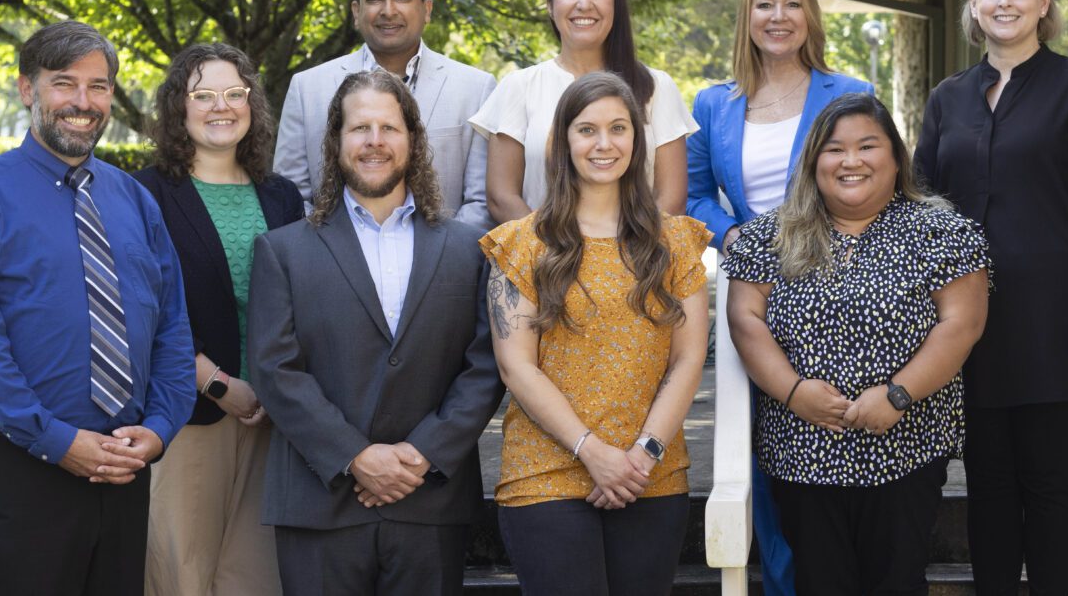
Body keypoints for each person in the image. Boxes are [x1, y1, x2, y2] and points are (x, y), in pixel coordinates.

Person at [0, 21, 195, 596]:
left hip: (128, 467)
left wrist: (158, 428)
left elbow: (172, 328)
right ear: (28, 89)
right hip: (28, 468)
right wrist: (56, 440)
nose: (83, 102)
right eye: (64, 83)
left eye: (98, 86)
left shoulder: (134, 200)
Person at [913, 0, 1068, 595]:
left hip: (1060, 321)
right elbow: (921, 201)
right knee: (988, 482)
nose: (1003, 1)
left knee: (1051, 481)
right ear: (973, 6)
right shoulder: (949, 98)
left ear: (1043, 3)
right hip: (969, 327)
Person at [248, 69, 504, 596]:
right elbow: (275, 370)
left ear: (412, 139)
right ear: (335, 142)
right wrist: (356, 456)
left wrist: (422, 454)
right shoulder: (283, 250)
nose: (374, 142)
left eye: (389, 128)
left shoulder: (466, 249)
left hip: (428, 498)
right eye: (359, 128)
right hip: (320, 501)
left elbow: (484, 366)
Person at [725, 93, 990, 596]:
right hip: (803, 449)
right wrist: (793, 390)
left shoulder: (943, 231)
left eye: (867, 146)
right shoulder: (770, 235)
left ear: (894, 157)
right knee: (821, 583)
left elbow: (962, 324)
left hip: (906, 445)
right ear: (813, 161)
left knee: (897, 582)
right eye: (834, 149)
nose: (851, 161)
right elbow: (745, 319)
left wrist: (897, 394)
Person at [481, 72, 710, 596]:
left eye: (618, 128)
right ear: (562, 142)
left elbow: (689, 358)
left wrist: (641, 455)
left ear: (637, 139)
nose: (604, 144)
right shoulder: (522, 244)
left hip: (649, 474)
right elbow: (516, 365)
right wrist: (593, 452)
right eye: (586, 130)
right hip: (546, 474)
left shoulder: (675, 241)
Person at [685, 0, 872, 595]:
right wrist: (735, 233)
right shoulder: (714, 103)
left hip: (835, 291)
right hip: (756, 296)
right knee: (763, 454)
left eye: (792, 3)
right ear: (748, 16)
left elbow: (871, 178)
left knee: (831, 435)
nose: (778, 17)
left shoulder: (848, 93)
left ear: (809, 15)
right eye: (766, 4)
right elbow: (689, 195)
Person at [133, 43, 304, 595]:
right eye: (203, 95)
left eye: (234, 93)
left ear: (252, 104)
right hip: (190, 414)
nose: (220, 106)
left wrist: (274, 388)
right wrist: (216, 382)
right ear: (178, 108)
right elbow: (146, 312)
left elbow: (301, 304)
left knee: (256, 579)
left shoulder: (282, 197)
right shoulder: (146, 194)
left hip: (274, 418)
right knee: (182, 573)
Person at [470, 0, 697, 222]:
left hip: (637, 261)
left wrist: (619, 259)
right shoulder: (519, 86)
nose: (584, 3)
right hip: (540, 260)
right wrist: (553, 254)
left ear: (616, 3)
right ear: (550, 5)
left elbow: (670, 200)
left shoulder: (657, 88)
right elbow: (502, 197)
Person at [274, 0, 495, 231]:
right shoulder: (308, 88)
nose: (388, 11)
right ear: (357, 11)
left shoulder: (475, 88)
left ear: (426, 9)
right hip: (336, 267)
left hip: (445, 268)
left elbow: (480, 202)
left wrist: (444, 257)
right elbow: (291, 198)